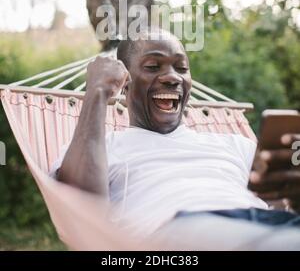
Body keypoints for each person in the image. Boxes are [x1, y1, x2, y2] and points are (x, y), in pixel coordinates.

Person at [52, 28, 300, 250]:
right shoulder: (97, 148)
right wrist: (96, 90)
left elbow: (278, 207)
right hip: (179, 232)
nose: (173, 77)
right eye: (152, 67)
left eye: (181, 68)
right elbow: (78, 210)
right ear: (125, 84)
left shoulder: (237, 145)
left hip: (265, 224)